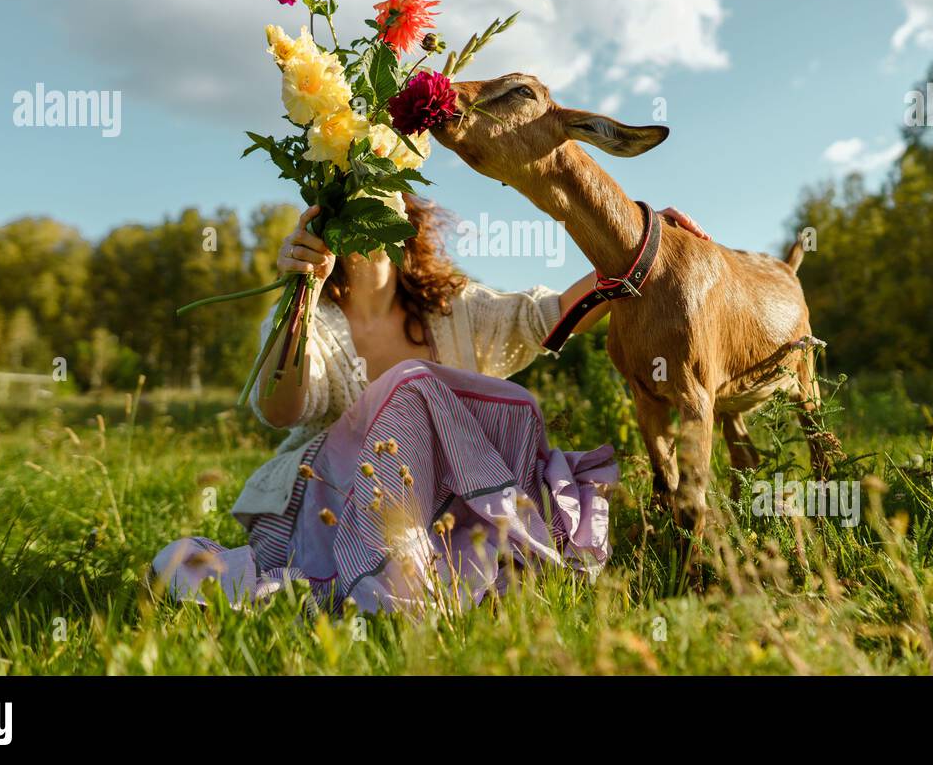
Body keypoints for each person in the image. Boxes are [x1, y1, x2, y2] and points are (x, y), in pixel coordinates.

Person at [153, 194, 709, 612]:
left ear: (404, 218)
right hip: (330, 506)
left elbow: (551, 315)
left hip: (444, 517)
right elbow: (279, 409)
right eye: (347, 196)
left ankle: (405, 581)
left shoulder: (455, 309)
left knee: (448, 404)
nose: (365, 207)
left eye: (379, 190)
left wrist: (644, 249)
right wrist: (302, 293)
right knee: (414, 384)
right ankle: (378, 577)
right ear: (323, 220)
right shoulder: (313, 322)